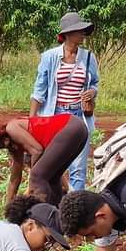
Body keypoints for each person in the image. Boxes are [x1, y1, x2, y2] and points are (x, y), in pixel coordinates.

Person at [30, 12, 99, 192]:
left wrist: (92, 92)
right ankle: (55, 199)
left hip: (79, 116)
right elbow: (39, 89)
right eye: (79, 31)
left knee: (78, 168)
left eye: (83, 31)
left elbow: (94, 83)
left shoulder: (88, 57)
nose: (83, 34)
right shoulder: (49, 57)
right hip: (55, 116)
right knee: (54, 164)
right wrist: (33, 120)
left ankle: (76, 204)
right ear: (68, 34)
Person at [0, 113, 90, 206]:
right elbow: (14, 178)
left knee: (37, 176)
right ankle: (57, 216)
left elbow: (36, 150)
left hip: (70, 127)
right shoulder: (13, 146)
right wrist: (8, 206)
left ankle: (41, 219)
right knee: (52, 178)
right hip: (78, 129)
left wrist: (33, 182)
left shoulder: (12, 128)